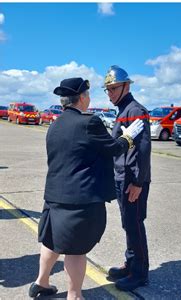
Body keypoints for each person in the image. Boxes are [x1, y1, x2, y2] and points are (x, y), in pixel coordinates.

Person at [30, 77, 144, 299]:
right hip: (79, 200)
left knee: (51, 242)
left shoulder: (55, 124)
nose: (89, 99)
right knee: (76, 250)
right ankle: (75, 296)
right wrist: (128, 137)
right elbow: (112, 149)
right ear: (81, 98)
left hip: (54, 195)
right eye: (88, 95)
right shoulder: (89, 122)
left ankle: (41, 282)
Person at [104, 66, 152, 291]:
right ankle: (131, 263)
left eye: (113, 88)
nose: (110, 93)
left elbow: (143, 149)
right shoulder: (123, 109)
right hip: (123, 176)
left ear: (126, 86)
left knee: (134, 224)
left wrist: (138, 182)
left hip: (132, 179)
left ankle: (140, 273)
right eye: (108, 90)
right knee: (128, 224)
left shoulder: (135, 110)